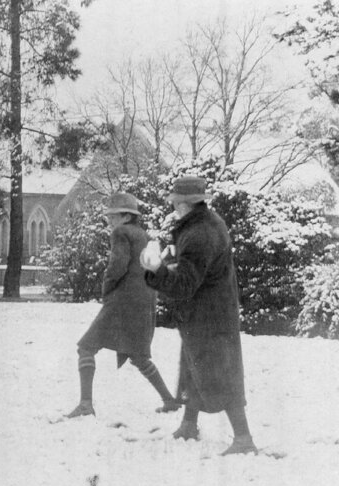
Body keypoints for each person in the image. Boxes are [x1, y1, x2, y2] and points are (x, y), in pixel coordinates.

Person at [140, 175, 257, 456]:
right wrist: (172, 257)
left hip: (208, 316)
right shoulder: (207, 224)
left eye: (175, 202)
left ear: (182, 203)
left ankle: (243, 439)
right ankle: (189, 425)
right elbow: (197, 266)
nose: (173, 207)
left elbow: (184, 284)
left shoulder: (198, 234)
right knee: (194, 367)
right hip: (212, 311)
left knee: (220, 374)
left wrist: (157, 270)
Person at [66, 193, 181, 418]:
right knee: (138, 354)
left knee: (86, 347)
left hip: (122, 301)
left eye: (113, 216)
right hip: (145, 300)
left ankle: (86, 404)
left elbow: (117, 265)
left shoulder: (121, 233)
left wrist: (106, 287)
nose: (109, 221)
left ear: (126, 216)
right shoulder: (144, 235)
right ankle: (169, 400)